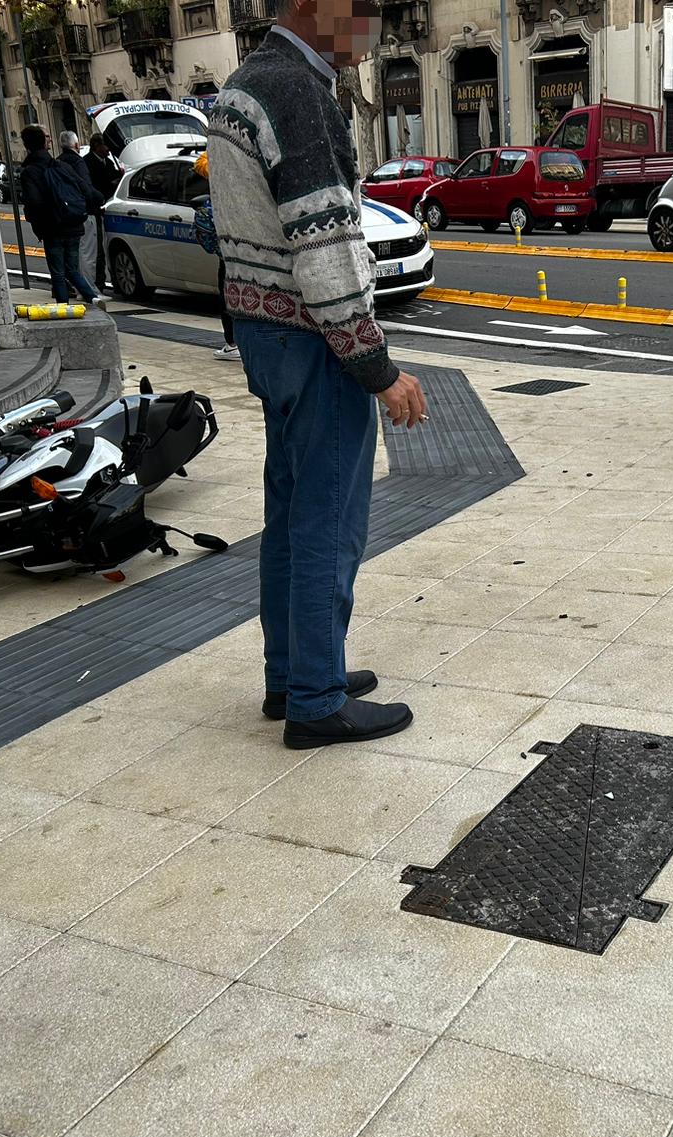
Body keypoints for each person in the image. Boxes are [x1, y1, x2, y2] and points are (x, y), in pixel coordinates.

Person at [209, 0, 427, 750]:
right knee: (327, 522)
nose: (370, 32)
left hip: (269, 336)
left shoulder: (242, 85)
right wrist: (378, 370)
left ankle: (291, 674)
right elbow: (325, 249)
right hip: (314, 339)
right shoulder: (298, 94)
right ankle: (316, 699)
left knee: (292, 514)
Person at [17, 125, 104, 306]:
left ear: (27, 146)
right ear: (45, 143)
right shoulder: (62, 166)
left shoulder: (30, 172)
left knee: (57, 272)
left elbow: (33, 204)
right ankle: (93, 298)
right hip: (73, 224)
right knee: (73, 269)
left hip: (52, 228)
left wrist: (38, 225)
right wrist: (95, 202)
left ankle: (63, 307)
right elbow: (86, 190)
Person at [190, 152, 238, 361]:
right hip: (242, 252)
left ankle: (233, 344)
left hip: (228, 255)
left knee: (228, 300)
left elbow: (201, 164)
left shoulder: (219, 191)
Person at [60, 131, 102, 291]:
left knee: (72, 254)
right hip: (82, 212)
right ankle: (89, 289)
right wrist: (99, 199)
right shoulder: (78, 162)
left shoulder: (57, 162)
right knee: (87, 253)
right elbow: (86, 187)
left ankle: (75, 287)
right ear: (76, 145)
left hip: (64, 214)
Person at [85, 136, 124, 293]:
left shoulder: (107, 163)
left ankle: (111, 281)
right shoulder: (87, 163)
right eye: (105, 145)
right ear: (96, 146)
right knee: (97, 250)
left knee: (108, 248)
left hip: (109, 208)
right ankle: (98, 283)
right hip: (96, 209)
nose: (108, 149)